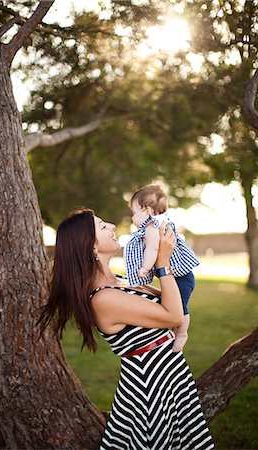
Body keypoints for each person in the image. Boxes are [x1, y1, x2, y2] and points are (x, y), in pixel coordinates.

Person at [39, 208, 214, 450]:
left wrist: (162, 253)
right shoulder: (102, 299)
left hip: (169, 377)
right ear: (92, 247)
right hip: (151, 390)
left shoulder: (121, 281)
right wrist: (162, 262)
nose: (111, 225)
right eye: (102, 226)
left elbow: (173, 300)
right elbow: (173, 315)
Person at [125, 184, 199, 352]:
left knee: (180, 307)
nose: (133, 218)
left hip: (181, 278)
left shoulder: (152, 227)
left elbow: (153, 249)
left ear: (148, 211)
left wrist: (145, 267)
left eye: (134, 213)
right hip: (182, 276)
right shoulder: (162, 222)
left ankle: (181, 334)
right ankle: (177, 332)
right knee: (178, 305)